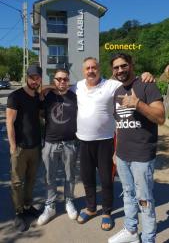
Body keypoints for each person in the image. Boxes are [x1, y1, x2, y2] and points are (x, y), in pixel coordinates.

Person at [74, 57, 153, 231]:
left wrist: (146, 75)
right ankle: (91, 208)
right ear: (83, 71)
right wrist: (47, 88)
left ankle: (107, 212)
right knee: (87, 178)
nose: (91, 71)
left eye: (94, 67)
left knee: (106, 179)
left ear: (99, 69)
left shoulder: (111, 85)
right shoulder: (78, 86)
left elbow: (129, 80)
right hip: (84, 141)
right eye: (87, 68)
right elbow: (60, 89)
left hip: (105, 141)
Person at [108, 53, 165, 243]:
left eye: (123, 66)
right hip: (123, 155)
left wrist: (138, 104)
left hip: (142, 155)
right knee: (128, 194)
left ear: (131, 65)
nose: (120, 70)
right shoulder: (117, 92)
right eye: (116, 68)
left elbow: (160, 117)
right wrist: (116, 151)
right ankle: (131, 231)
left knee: (145, 200)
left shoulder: (147, 85)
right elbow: (120, 124)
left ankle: (149, 239)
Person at [37, 68, 79, 226]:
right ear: (53, 80)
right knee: (49, 176)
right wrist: (51, 87)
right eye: (59, 79)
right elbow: (39, 90)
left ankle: (69, 201)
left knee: (70, 175)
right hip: (50, 143)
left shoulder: (75, 96)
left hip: (70, 143)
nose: (62, 82)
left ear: (69, 81)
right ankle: (50, 205)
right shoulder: (47, 96)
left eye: (65, 79)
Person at [6, 64, 43, 232]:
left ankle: (28, 207)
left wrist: (49, 86)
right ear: (26, 77)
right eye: (32, 77)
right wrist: (13, 146)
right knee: (17, 183)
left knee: (31, 180)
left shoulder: (37, 96)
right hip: (20, 148)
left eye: (38, 78)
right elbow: (9, 122)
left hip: (35, 147)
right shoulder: (15, 96)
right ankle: (19, 213)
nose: (35, 81)